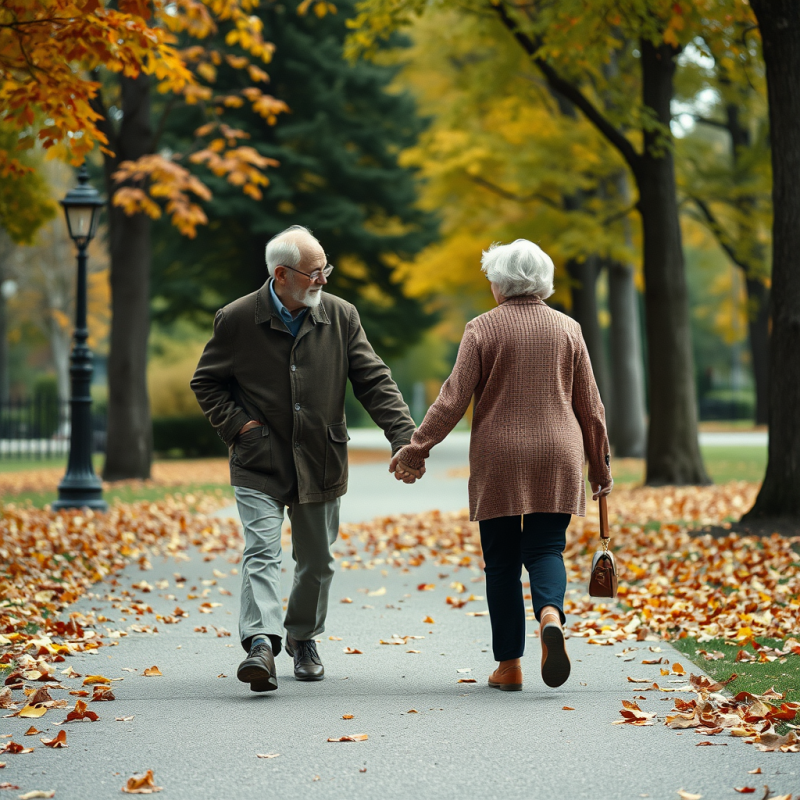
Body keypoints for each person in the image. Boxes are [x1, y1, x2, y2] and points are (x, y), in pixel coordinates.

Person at [191, 225, 419, 693]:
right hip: (259, 460)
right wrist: (240, 427)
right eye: (315, 272)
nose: (323, 280)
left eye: (325, 269)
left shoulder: (341, 316)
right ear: (281, 274)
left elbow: (374, 380)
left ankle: (302, 637)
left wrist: (405, 439)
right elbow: (207, 382)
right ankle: (260, 643)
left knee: (316, 561)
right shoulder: (236, 320)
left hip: (320, 457)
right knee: (261, 552)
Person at [390, 239, 613, 691]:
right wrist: (601, 469)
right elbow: (591, 406)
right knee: (547, 549)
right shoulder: (569, 329)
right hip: (558, 454)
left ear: (500, 283)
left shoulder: (481, 329)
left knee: (502, 565)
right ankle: (550, 614)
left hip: (500, 457)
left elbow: (452, 399)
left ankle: (509, 666)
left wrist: (417, 448)